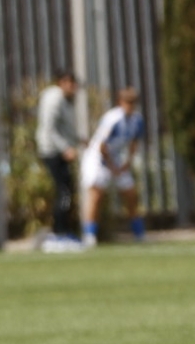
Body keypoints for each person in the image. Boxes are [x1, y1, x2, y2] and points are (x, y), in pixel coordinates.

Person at [80, 87, 147, 246]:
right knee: (96, 195)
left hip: (116, 159)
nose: (131, 105)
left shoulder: (137, 120)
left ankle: (138, 233)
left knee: (130, 194)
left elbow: (134, 143)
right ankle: (90, 235)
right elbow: (101, 145)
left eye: (133, 102)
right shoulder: (112, 118)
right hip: (98, 158)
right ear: (120, 102)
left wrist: (127, 163)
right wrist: (112, 166)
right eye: (128, 102)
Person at [36, 71, 85, 249]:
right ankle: (58, 234)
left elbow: (64, 127)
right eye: (71, 84)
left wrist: (79, 139)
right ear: (62, 82)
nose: (74, 88)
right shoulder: (53, 99)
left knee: (66, 192)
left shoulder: (65, 100)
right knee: (64, 192)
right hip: (52, 152)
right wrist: (65, 148)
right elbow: (49, 128)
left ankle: (62, 232)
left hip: (59, 151)